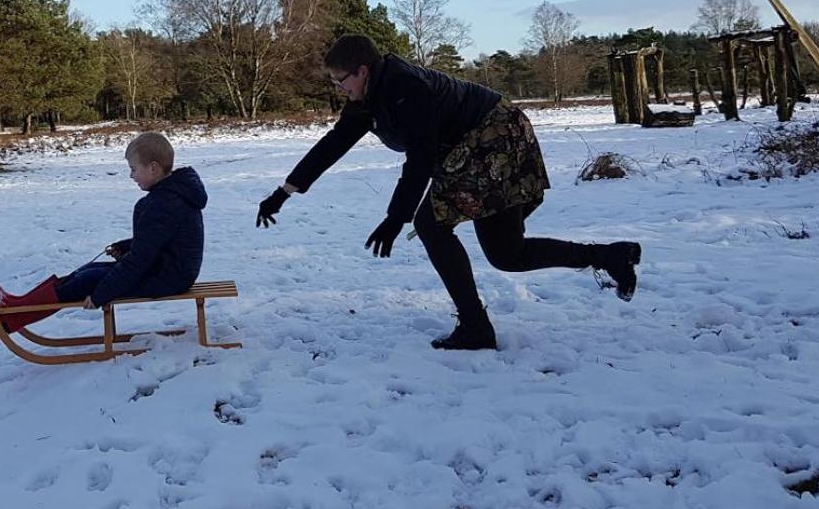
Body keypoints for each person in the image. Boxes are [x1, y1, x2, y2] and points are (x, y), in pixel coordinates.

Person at [255, 34, 641, 351]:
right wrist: (284, 192)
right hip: (479, 145)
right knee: (507, 253)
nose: (340, 88)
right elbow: (334, 143)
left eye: (342, 80)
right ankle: (610, 256)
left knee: (432, 225)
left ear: (363, 70)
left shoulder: (404, 87)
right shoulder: (365, 99)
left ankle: (475, 327)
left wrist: (395, 218)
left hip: (494, 137)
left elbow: (421, 158)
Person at [0, 132, 207, 332]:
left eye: (133, 169)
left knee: (89, 280)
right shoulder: (172, 195)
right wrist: (125, 246)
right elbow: (158, 240)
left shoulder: (163, 203)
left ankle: (15, 316)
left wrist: (102, 294)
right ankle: (19, 305)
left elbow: (140, 260)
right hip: (169, 270)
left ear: (153, 168)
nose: (131, 176)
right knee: (88, 271)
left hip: (168, 277)